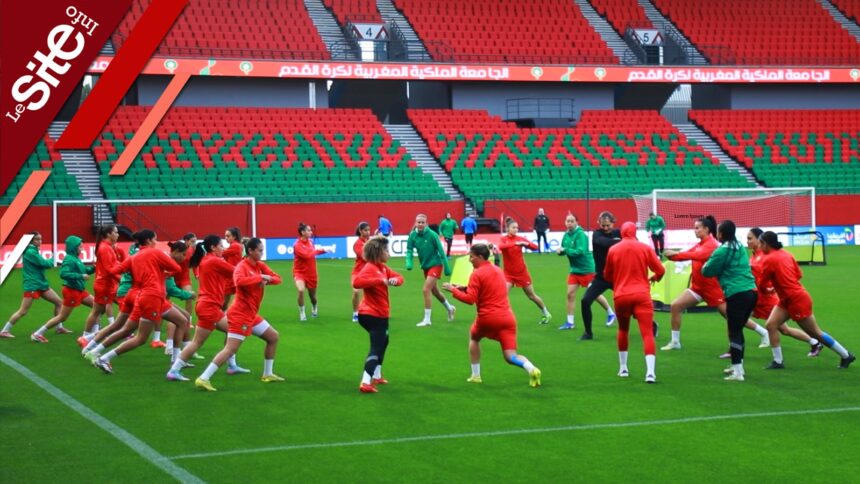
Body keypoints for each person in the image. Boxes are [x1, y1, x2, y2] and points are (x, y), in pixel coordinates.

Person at [442, 244, 542, 387]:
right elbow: (488, 288)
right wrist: (464, 288)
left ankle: (476, 375)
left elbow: (470, 299)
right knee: (510, 356)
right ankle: (531, 368)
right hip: (507, 318)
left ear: (480, 257)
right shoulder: (498, 270)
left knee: (474, 337)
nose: (470, 260)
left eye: (471, 257)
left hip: (487, 318)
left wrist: (453, 290)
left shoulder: (476, 274)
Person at [195, 238, 284, 391]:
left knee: (273, 337)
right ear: (250, 251)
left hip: (251, 314)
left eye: (262, 250)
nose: (262, 253)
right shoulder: (242, 266)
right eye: (260, 250)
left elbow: (278, 279)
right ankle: (203, 378)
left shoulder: (260, 265)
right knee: (230, 349)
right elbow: (239, 281)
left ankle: (268, 374)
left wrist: (267, 279)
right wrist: (260, 278)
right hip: (240, 315)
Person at [757, 231, 855, 370]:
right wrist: (780, 285)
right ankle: (778, 362)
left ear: (765, 244)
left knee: (815, 332)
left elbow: (762, 284)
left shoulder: (768, 259)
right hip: (790, 298)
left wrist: (770, 289)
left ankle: (846, 355)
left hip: (795, 300)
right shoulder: (787, 254)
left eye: (760, 243)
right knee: (771, 325)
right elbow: (798, 275)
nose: (759, 247)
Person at [92, 235, 189, 373]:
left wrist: (101, 266)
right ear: (148, 240)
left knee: (182, 321)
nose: (156, 242)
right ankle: (104, 358)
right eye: (154, 239)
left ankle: (176, 362)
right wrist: (165, 272)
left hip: (142, 295)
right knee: (140, 338)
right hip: (152, 297)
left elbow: (114, 270)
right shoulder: (155, 253)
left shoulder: (134, 256)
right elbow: (177, 268)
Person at [166, 234, 248, 381]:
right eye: (221, 246)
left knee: (201, 341)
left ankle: (231, 365)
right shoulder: (214, 261)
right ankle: (175, 370)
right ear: (213, 247)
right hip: (210, 307)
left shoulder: (208, 260)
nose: (223, 248)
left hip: (206, 305)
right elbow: (236, 271)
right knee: (234, 331)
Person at [603, 222, 665, 383]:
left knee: (623, 330)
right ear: (635, 232)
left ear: (622, 233)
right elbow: (661, 270)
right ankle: (650, 373)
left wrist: (619, 280)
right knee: (647, 333)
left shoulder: (613, 250)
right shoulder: (645, 248)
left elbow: (607, 275)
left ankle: (623, 368)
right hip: (642, 295)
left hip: (621, 296)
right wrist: (654, 278)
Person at [747, 228, 822, 357]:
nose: (747, 241)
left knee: (783, 329)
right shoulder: (754, 256)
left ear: (760, 241)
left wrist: (769, 287)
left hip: (767, 298)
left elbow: (767, 277)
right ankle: (764, 338)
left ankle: (814, 342)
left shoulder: (765, 256)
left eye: (750, 238)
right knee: (737, 317)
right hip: (758, 296)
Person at [702, 220, 758, 382]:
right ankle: (737, 366)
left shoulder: (722, 250)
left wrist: (709, 266)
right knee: (738, 329)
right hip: (752, 292)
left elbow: (706, 271)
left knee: (734, 331)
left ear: (721, 234)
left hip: (737, 293)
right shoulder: (739, 246)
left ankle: (738, 372)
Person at [660, 215, 727, 350]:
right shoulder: (700, 244)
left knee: (732, 317)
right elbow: (686, 254)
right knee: (675, 306)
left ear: (706, 229)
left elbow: (695, 255)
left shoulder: (711, 244)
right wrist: (673, 255)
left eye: (697, 228)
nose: (695, 231)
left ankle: (763, 332)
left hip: (712, 289)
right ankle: (675, 342)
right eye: (694, 228)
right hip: (698, 288)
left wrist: (675, 254)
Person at [352, 237, 403, 393]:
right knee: (377, 345)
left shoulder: (383, 268)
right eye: (386, 250)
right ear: (378, 252)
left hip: (379, 313)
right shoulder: (370, 267)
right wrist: (378, 281)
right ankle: (365, 381)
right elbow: (357, 282)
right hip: (372, 314)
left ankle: (377, 376)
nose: (389, 253)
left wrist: (394, 281)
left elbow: (400, 278)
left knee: (384, 342)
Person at [29, 235, 95, 342]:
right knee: (62, 317)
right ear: (74, 247)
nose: (82, 248)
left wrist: (94, 268)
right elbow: (63, 274)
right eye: (80, 246)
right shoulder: (69, 259)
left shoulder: (75, 258)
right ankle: (37, 333)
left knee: (97, 306)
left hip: (79, 290)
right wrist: (81, 276)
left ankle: (94, 333)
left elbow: (84, 271)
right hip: (72, 291)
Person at [1, 232, 63, 338]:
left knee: (59, 302)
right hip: (32, 285)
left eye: (40, 239)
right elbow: (45, 264)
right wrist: (53, 258)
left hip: (41, 284)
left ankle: (59, 327)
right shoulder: (31, 252)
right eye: (37, 239)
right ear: (31, 241)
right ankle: (4, 330)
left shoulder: (33, 251)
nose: (40, 241)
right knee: (23, 311)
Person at [497, 219, 552, 325]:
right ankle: (502, 317)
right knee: (502, 295)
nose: (516, 229)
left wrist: (525, 244)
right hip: (508, 274)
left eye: (517, 227)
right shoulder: (503, 239)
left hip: (521, 273)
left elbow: (535, 247)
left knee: (531, 296)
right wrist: (514, 243)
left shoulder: (520, 239)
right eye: (513, 227)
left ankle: (546, 313)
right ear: (508, 228)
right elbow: (501, 247)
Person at [406, 214, 455, 327]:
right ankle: (450, 308)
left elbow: (441, 251)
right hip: (425, 266)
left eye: (422, 222)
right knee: (435, 292)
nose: (420, 224)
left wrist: (446, 267)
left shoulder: (433, 235)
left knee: (425, 289)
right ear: (415, 223)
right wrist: (409, 262)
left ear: (426, 223)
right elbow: (409, 250)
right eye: (418, 222)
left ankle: (427, 319)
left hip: (436, 264)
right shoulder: (413, 235)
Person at [80, 224, 124, 344]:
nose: (118, 234)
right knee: (96, 311)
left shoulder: (106, 247)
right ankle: (85, 337)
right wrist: (122, 280)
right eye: (115, 232)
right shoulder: (105, 248)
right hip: (104, 285)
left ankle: (92, 335)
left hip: (106, 284)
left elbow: (113, 266)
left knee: (99, 311)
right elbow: (110, 269)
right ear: (108, 234)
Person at [580, 212, 620, 340]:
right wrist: (622, 241)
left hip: (617, 277)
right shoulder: (596, 234)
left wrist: (623, 240)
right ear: (599, 223)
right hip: (601, 278)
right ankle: (588, 333)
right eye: (603, 225)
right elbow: (604, 242)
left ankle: (651, 325)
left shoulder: (619, 232)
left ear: (613, 223)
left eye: (608, 225)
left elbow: (634, 240)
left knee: (631, 303)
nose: (606, 228)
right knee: (585, 301)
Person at [557, 214, 595, 331]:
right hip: (574, 270)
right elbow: (565, 249)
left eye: (572, 221)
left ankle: (610, 312)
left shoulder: (581, 234)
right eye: (567, 221)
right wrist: (561, 252)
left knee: (595, 295)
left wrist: (565, 250)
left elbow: (580, 251)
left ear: (577, 222)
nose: (569, 223)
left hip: (586, 269)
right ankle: (570, 322)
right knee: (570, 294)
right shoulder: (566, 235)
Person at [294, 222, 329, 321]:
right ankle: (302, 312)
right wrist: (323, 250)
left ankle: (314, 306)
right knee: (301, 290)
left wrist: (325, 249)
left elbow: (312, 253)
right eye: (309, 230)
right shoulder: (297, 245)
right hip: (299, 272)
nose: (311, 232)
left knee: (312, 296)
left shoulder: (310, 242)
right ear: (302, 232)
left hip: (311, 273)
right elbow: (307, 255)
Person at [174, 232, 198, 324]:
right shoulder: (180, 248)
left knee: (189, 297)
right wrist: (191, 249)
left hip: (184, 278)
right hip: (173, 277)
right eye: (192, 241)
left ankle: (189, 321)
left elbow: (194, 263)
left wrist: (196, 274)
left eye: (195, 241)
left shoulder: (193, 251)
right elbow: (185, 258)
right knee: (164, 298)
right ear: (186, 241)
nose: (194, 243)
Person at [351, 222, 372, 323]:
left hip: (369, 272)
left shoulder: (371, 241)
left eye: (369, 230)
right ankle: (355, 313)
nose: (368, 232)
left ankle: (375, 311)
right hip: (358, 272)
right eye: (365, 230)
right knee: (356, 292)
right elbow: (364, 257)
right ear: (360, 231)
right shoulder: (357, 244)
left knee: (374, 293)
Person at [222, 227, 244, 310]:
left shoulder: (235, 246)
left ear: (234, 237)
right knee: (226, 299)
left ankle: (222, 315)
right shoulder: (236, 245)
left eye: (228, 236)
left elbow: (221, 253)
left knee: (224, 300)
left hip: (231, 276)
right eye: (225, 236)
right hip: (233, 274)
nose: (226, 238)